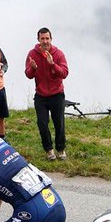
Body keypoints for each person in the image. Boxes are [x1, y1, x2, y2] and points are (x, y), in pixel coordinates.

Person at [24, 28, 69, 161]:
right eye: (42, 39)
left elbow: (64, 73)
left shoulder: (58, 54)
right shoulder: (32, 54)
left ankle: (60, 149)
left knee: (59, 123)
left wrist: (53, 64)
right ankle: (49, 150)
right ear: (38, 40)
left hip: (57, 94)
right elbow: (28, 74)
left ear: (51, 39)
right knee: (42, 123)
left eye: (47, 38)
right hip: (41, 96)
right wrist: (32, 68)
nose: (45, 41)